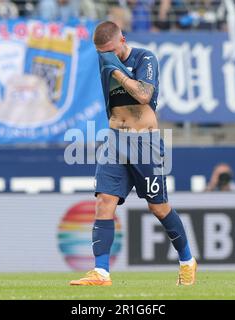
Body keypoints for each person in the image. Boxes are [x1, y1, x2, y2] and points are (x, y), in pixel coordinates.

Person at [70, 21, 197, 286]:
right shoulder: (105, 61)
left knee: (158, 207)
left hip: (145, 143)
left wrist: (115, 70)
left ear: (122, 40)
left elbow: (143, 95)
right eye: (101, 53)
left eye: (110, 51)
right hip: (115, 140)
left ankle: (187, 261)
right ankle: (101, 272)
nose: (106, 56)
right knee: (104, 201)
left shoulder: (145, 58)